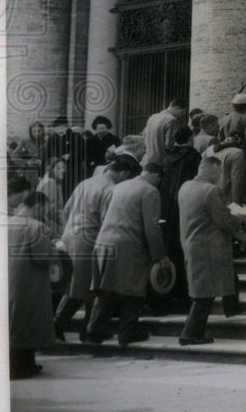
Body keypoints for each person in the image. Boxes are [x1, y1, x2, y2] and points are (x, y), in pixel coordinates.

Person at [53, 154, 141, 342]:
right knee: (86, 287)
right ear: (124, 173)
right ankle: (61, 325)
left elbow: (67, 209)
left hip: (71, 234)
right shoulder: (110, 188)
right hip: (90, 238)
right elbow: (107, 219)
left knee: (79, 285)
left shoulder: (85, 182)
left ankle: (85, 329)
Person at [85, 162, 172, 345]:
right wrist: (160, 255)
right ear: (156, 177)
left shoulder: (119, 186)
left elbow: (103, 215)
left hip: (103, 241)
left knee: (105, 290)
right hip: (128, 244)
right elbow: (152, 227)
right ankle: (127, 332)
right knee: (133, 289)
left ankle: (94, 330)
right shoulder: (149, 191)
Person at [178, 157, 246, 345]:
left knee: (206, 288)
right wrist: (239, 217)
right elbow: (223, 220)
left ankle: (230, 307)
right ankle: (190, 333)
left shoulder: (185, 187)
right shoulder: (211, 190)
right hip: (210, 247)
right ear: (211, 170)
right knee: (205, 295)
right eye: (218, 173)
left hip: (192, 243)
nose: (219, 177)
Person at [7, 176, 58, 379]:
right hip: (29, 282)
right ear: (37, 206)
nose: (45, 213)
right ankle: (22, 367)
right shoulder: (34, 227)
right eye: (45, 209)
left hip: (11, 280)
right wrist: (56, 249)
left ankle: (27, 365)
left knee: (15, 322)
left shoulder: (7, 223)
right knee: (27, 323)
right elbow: (44, 257)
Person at [154, 125, 202, 312]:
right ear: (190, 138)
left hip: (167, 209)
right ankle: (184, 296)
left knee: (171, 250)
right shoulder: (193, 157)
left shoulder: (167, 158)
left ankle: (169, 293)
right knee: (184, 253)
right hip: (184, 206)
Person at [142, 98, 188, 166]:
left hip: (146, 159)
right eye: (182, 112)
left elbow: (144, 135)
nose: (182, 116)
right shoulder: (172, 120)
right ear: (176, 108)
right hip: (160, 161)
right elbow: (169, 145)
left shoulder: (153, 117)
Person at [212, 131, 246, 206]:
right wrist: (237, 205)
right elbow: (237, 180)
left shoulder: (216, 151)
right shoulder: (238, 153)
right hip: (228, 200)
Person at [35, 156, 68, 231]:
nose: (63, 171)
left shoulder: (51, 182)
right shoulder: (50, 183)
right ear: (51, 170)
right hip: (50, 226)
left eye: (64, 168)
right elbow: (49, 210)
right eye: (58, 168)